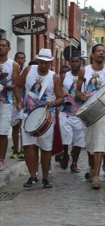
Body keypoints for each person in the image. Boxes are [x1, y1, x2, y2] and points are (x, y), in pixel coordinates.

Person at [15, 48, 64, 188]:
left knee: (45, 147)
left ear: (50, 63)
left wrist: (54, 103)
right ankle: (32, 176)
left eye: (46, 63)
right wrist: (19, 101)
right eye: (41, 62)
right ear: (38, 60)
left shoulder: (54, 77)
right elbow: (17, 86)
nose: (43, 65)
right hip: (28, 114)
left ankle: (45, 177)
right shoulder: (28, 71)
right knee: (28, 146)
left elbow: (61, 97)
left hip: (46, 117)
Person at [75, 44, 105, 189]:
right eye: (99, 51)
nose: (101, 53)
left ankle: (96, 176)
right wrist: (80, 95)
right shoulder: (84, 71)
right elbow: (76, 90)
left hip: (103, 111)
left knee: (100, 142)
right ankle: (92, 167)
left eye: (104, 51)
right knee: (89, 143)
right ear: (92, 55)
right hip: (88, 111)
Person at [58, 54, 85, 173]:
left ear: (80, 63)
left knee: (79, 139)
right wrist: (62, 92)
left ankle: (74, 163)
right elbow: (57, 89)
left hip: (80, 112)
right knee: (64, 137)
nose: (74, 63)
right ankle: (65, 154)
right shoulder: (64, 76)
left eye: (77, 61)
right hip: (65, 111)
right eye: (73, 61)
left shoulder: (85, 76)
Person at [0, 39, 21, 170]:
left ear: (9, 48)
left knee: (2, 132)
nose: (1, 47)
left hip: (6, 102)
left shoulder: (13, 65)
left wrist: (19, 101)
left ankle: (1, 160)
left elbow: (16, 85)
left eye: (3, 46)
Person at [10, 51, 26, 160]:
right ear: (15, 59)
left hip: (24, 103)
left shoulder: (26, 72)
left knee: (23, 127)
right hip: (12, 102)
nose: (20, 60)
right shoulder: (11, 71)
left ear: (24, 60)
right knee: (15, 127)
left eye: (22, 58)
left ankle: (23, 150)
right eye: (18, 58)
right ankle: (16, 150)